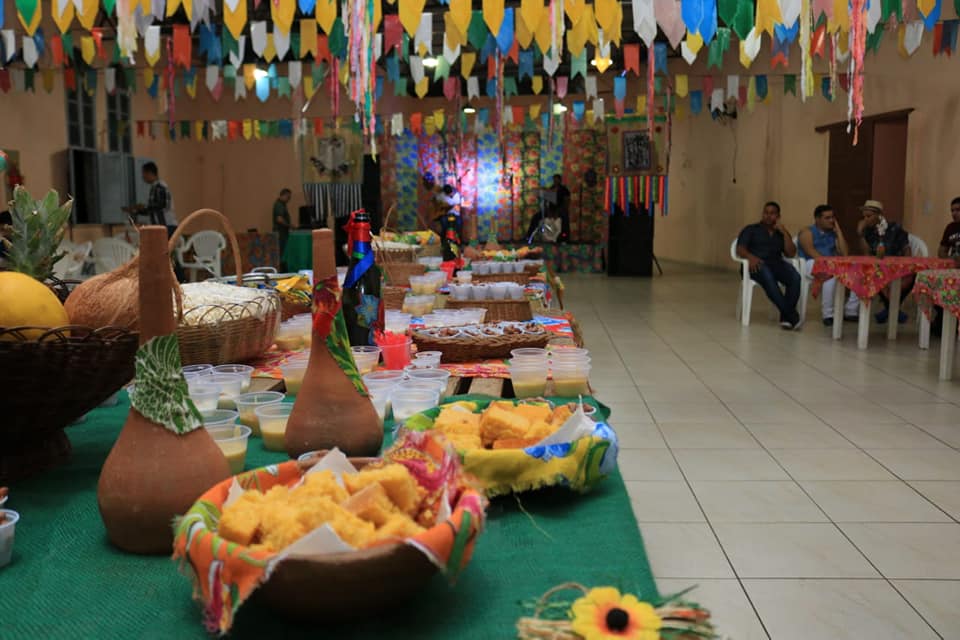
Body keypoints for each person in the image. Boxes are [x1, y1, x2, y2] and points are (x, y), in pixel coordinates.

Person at [736, 201, 802, 329]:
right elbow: (740, 249)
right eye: (766, 213)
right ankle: (791, 315)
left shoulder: (781, 233)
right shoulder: (751, 229)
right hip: (755, 265)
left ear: (778, 216)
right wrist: (750, 257)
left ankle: (786, 318)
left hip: (776, 264)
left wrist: (785, 233)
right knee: (768, 276)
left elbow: (791, 253)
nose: (768, 216)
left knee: (795, 277)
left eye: (772, 213)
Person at [797, 204, 860, 326]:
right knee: (830, 274)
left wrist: (838, 231)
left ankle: (851, 310)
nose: (831, 220)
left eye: (832, 217)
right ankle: (828, 314)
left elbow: (845, 254)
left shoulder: (832, 233)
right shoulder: (807, 232)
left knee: (857, 270)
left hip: (832, 263)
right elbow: (812, 253)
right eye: (827, 218)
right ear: (817, 219)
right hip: (810, 263)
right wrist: (832, 265)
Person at [856, 199, 912, 324]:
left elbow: (906, 248)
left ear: (879, 215)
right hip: (878, 267)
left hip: (897, 267)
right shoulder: (867, 231)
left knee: (912, 275)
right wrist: (860, 234)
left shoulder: (894, 228)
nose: (865, 220)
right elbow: (866, 254)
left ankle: (889, 309)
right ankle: (893, 310)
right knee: (872, 274)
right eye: (864, 217)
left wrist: (906, 266)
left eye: (869, 216)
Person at [526, 174, 571, 243]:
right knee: (536, 217)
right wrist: (548, 211)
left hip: (560, 210)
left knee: (565, 218)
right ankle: (528, 236)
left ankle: (565, 239)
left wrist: (557, 212)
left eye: (557, 180)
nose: (555, 181)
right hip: (550, 210)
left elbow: (566, 203)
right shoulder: (551, 189)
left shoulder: (564, 190)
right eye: (554, 180)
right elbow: (546, 202)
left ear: (560, 180)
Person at [139, 162, 177, 237]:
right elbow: (153, 210)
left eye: (144, 173)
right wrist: (138, 211)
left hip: (166, 226)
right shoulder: (155, 187)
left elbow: (161, 205)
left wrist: (144, 207)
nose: (143, 176)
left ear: (149, 173)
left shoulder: (160, 187)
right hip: (161, 227)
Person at [433, 184, 462, 262]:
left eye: (449, 193)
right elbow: (437, 199)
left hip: (455, 215)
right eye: (447, 194)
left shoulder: (456, 195)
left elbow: (455, 203)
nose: (449, 194)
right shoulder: (442, 195)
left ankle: (457, 244)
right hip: (446, 215)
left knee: (458, 226)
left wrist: (448, 204)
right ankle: (445, 245)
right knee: (444, 227)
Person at [273, 188, 293, 260]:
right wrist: (290, 225)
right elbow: (279, 219)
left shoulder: (282, 204)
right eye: (288, 197)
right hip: (281, 233)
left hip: (283, 233)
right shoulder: (279, 205)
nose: (289, 199)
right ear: (283, 195)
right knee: (281, 253)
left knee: (282, 252)